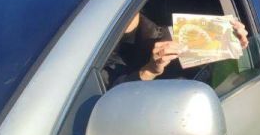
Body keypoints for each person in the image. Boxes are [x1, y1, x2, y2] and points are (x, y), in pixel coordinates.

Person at [101, 12, 248, 88]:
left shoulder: (171, 38)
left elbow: (211, 79)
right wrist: (149, 71)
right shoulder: (96, 48)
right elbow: (109, 100)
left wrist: (232, 45)